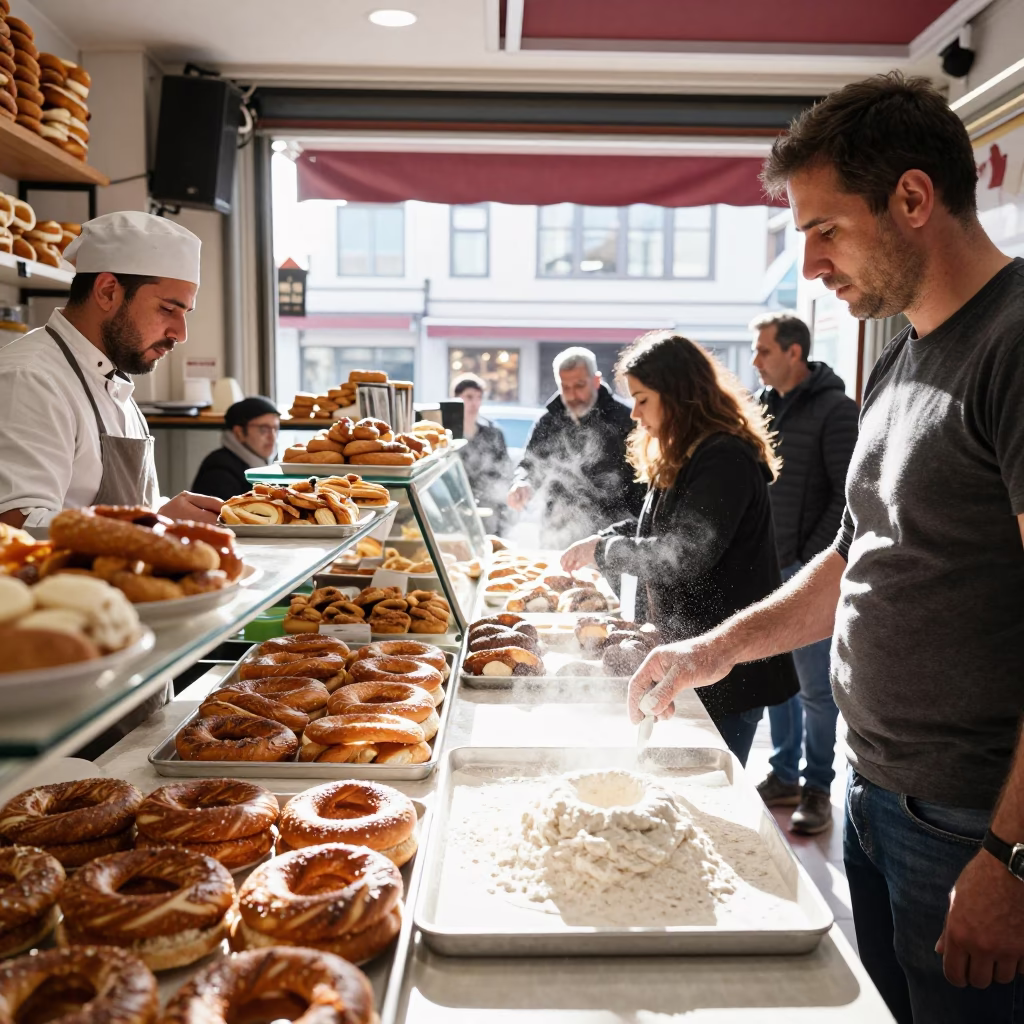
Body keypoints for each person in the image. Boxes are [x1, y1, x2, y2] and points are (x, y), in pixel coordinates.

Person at [627, 72, 1024, 1024]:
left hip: (975, 819)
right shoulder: (900, 353)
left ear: (915, 199)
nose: (809, 265)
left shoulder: (1013, 347)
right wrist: (713, 649)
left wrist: (1011, 857)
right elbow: (853, 558)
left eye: (825, 229)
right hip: (879, 793)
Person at [561, 332, 798, 765]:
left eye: (642, 399)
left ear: (679, 394)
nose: (633, 412)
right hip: (690, 655)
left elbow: (682, 554)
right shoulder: (688, 450)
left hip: (726, 666)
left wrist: (607, 551)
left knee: (704, 785)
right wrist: (603, 537)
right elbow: (657, 524)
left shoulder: (724, 456)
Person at [0, 211, 222, 528]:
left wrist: (172, 513)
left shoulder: (114, 384)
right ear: (107, 291)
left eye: (185, 313)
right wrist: (153, 521)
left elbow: (125, 509)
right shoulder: (29, 378)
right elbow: (15, 523)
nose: (180, 333)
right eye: (168, 309)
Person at [750, 312, 859, 834]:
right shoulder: (762, 408)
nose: (755, 362)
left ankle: (818, 788)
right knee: (780, 683)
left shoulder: (837, 411)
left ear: (794, 352)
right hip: (769, 566)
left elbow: (848, 497)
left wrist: (812, 561)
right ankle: (784, 773)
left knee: (816, 688)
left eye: (764, 351)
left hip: (811, 569)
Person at [507, 347, 644, 548]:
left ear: (596, 381)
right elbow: (530, 464)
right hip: (556, 531)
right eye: (565, 387)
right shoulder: (548, 422)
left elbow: (641, 482)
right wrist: (523, 482)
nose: (573, 395)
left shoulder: (625, 420)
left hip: (609, 536)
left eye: (580, 385)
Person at [451, 373, 512, 533]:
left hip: (490, 510)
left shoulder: (493, 434)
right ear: (456, 399)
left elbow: (505, 472)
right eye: (469, 397)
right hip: (456, 512)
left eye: (479, 397)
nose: (475, 403)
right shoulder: (446, 436)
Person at [191, 396, 280, 500]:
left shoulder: (266, 466)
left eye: (275, 429)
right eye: (264, 429)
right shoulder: (219, 472)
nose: (272, 437)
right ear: (239, 433)